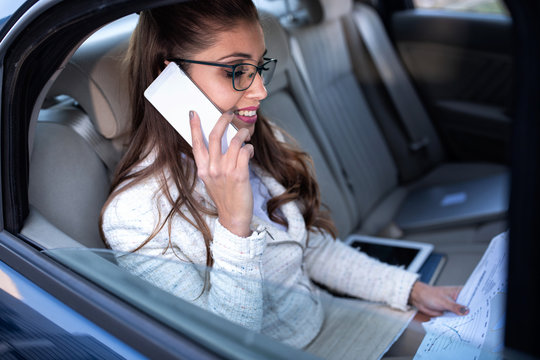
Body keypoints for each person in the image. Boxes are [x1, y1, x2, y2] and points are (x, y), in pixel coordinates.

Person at [100, 0, 469, 352]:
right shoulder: (135, 215)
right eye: (237, 72)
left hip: (331, 319)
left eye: (259, 67)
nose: (260, 90)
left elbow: (309, 249)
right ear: (170, 76)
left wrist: (411, 290)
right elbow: (220, 344)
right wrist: (233, 224)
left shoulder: (256, 138)